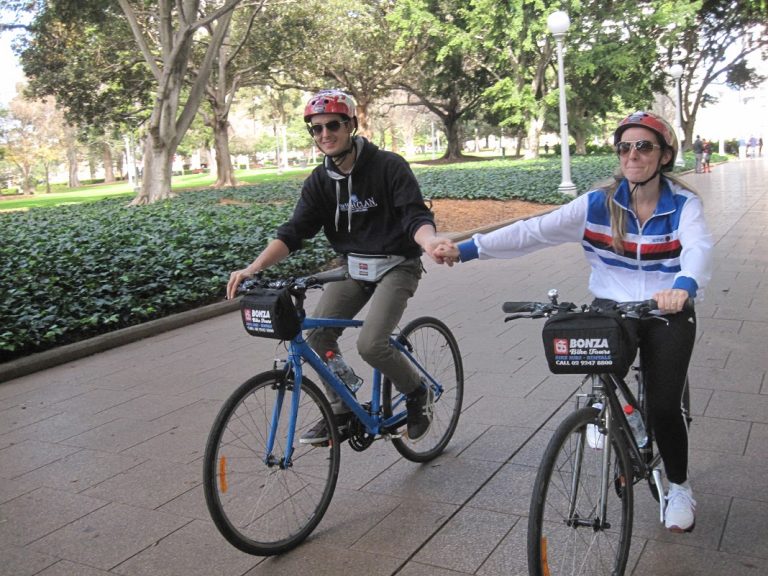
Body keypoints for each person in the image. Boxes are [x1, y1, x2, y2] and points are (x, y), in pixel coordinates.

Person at [435, 111, 713, 533]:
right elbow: (533, 231)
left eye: (644, 146)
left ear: (665, 155)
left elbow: (697, 247)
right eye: (625, 146)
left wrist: (684, 284)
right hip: (613, 305)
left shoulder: (682, 204)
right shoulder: (598, 204)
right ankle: (611, 413)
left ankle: (678, 486)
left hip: (666, 307)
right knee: (598, 360)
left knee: (662, 402)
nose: (632, 155)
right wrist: (468, 249)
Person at [226, 89, 449, 443]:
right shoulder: (319, 181)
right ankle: (342, 407)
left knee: (371, 344)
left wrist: (429, 241)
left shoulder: (388, 166)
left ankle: (417, 392)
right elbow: (294, 232)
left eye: (333, 125)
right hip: (354, 267)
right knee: (318, 335)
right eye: (316, 129)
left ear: (351, 126)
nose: (325, 135)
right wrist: (253, 268)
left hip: (398, 265)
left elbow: (414, 215)